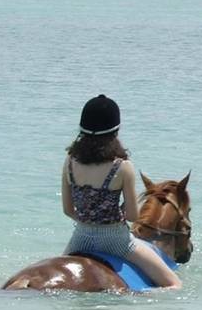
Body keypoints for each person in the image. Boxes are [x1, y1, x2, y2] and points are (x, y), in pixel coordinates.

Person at [61, 94, 181, 289]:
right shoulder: (123, 167)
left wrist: (88, 220)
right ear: (115, 130)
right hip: (116, 241)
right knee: (174, 284)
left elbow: (67, 210)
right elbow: (133, 216)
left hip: (80, 239)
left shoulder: (69, 162)